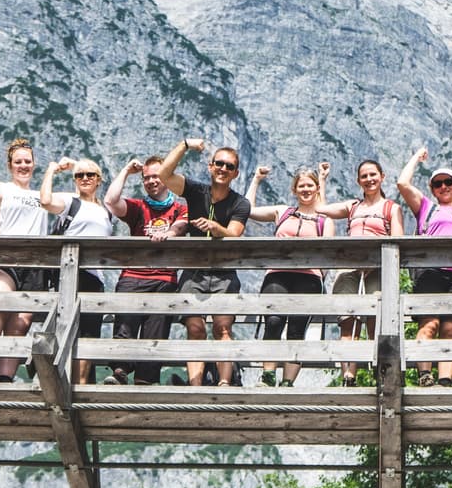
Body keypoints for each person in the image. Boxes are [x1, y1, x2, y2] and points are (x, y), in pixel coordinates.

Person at [159, 137, 251, 387]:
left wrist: (214, 227)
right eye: (219, 164)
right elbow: (164, 174)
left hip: (224, 272)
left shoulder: (241, 203)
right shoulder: (195, 190)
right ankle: (195, 385)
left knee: (223, 327)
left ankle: (224, 382)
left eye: (229, 166)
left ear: (235, 173)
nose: (223, 169)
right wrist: (185, 145)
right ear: (210, 166)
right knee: (195, 328)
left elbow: (234, 233)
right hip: (194, 271)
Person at [246, 163, 337, 387]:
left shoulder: (325, 219)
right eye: (301, 186)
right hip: (278, 275)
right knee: (274, 322)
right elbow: (247, 210)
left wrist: (323, 180)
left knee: (297, 329)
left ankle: (288, 382)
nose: (305, 189)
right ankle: (267, 377)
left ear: (316, 189)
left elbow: (328, 250)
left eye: (310, 185)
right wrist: (256, 179)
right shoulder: (282, 211)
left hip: (310, 277)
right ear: (294, 190)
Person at [315, 158, 403, 386]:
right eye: (364, 176)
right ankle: (349, 376)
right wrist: (322, 180)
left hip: (378, 267)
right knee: (348, 319)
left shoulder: (391, 208)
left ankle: (379, 376)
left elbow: (399, 241)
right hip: (350, 267)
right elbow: (321, 209)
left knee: (376, 321)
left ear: (382, 177)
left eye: (373, 175)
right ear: (358, 181)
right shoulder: (352, 206)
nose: (369, 179)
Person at [103, 156, 188, 385]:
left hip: (164, 278)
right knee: (125, 326)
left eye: (156, 176)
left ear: (166, 178)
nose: (151, 181)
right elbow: (110, 201)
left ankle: (146, 380)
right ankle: (120, 371)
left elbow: (180, 227)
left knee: (155, 332)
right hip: (133, 276)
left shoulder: (180, 208)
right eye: (147, 177)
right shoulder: (138, 207)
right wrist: (126, 170)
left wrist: (168, 234)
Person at [397, 147, 452, 387]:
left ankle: (445, 381)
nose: (444, 187)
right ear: (432, 189)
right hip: (430, 271)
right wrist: (416, 158)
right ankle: (424, 374)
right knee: (429, 324)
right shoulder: (427, 208)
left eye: (448, 182)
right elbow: (402, 183)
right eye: (438, 184)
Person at [38, 156, 119, 384]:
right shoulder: (70, 201)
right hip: (71, 274)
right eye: (79, 175)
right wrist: (52, 170)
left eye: (89, 175)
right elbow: (45, 201)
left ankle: (82, 383)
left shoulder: (106, 210)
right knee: (68, 330)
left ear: (99, 180)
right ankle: (69, 384)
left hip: (96, 278)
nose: (84, 178)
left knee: (90, 332)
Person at [0, 139, 52, 389]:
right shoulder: (0, 188)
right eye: (18, 161)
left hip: (34, 263)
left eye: (27, 161)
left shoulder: (40, 196)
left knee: (20, 322)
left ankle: (5, 378)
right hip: (5, 257)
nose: (23, 165)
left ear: (34, 164)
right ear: (10, 165)